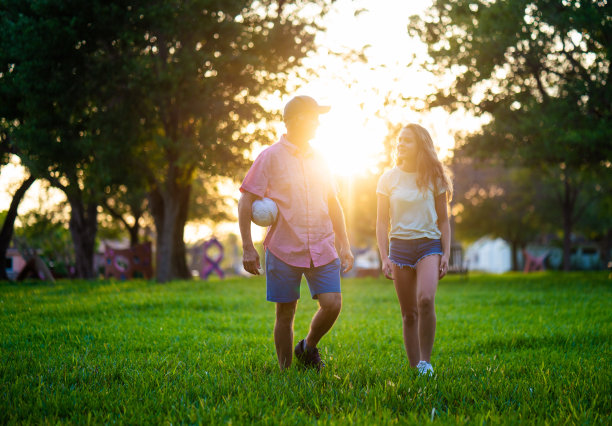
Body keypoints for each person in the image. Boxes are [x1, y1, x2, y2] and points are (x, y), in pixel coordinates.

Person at [238, 95, 354, 371]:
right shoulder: (269, 157)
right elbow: (246, 200)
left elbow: (333, 202)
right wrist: (247, 246)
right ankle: (286, 371)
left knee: (333, 303)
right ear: (297, 119)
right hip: (283, 247)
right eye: (313, 116)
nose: (317, 123)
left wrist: (345, 243)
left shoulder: (322, 158)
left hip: (322, 245)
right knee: (285, 312)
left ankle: (308, 346)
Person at [376, 123, 452, 376]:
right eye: (399, 140)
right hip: (399, 248)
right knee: (409, 314)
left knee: (426, 300)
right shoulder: (388, 179)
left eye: (407, 140)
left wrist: (446, 253)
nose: (400, 144)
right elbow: (381, 222)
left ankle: (425, 362)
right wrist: (384, 256)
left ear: (420, 144)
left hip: (428, 245)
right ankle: (413, 368)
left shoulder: (434, 177)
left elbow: (443, 220)